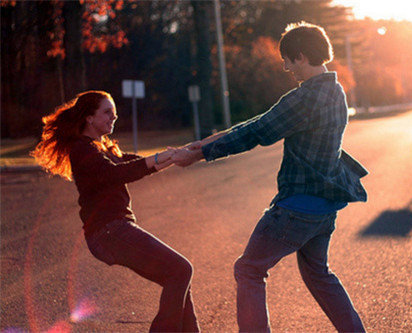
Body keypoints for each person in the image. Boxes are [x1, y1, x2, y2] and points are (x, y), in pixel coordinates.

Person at [172, 22, 368, 332]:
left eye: (288, 59)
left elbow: (258, 131)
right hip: (325, 207)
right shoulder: (336, 91)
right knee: (319, 274)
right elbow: (261, 122)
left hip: (297, 209)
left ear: (301, 56)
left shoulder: (306, 98)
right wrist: (205, 143)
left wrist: (199, 154)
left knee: (249, 270)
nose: (286, 67)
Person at [31, 90, 200, 332]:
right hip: (109, 232)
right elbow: (114, 174)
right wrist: (160, 158)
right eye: (107, 112)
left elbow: (130, 163)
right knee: (181, 270)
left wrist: (175, 156)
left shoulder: (102, 148)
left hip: (115, 231)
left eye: (115, 113)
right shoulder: (82, 149)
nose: (114, 117)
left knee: (179, 278)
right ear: (89, 117)